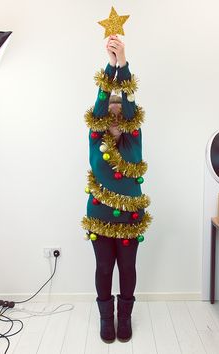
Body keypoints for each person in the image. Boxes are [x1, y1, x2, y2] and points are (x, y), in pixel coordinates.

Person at [81, 35, 153, 343]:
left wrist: (123, 62)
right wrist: (110, 65)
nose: (113, 117)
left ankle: (124, 318)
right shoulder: (96, 139)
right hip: (99, 214)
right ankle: (105, 319)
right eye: (108, 113)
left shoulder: (133, 137)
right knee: (103, 267)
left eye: (119, 113)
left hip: (129, 218)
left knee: (127, 267)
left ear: (125, 118)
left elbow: (130, 99)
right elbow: (101, 101)